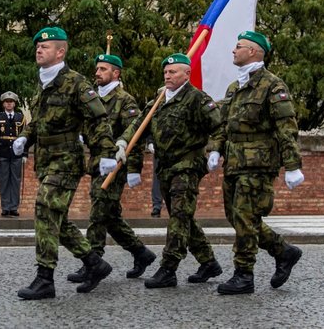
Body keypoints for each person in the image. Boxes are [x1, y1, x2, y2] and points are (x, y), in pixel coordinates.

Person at [11, 26, 116, 300]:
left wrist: (105, 152)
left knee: (44, 208)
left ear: (61, 51)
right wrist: (25, 137)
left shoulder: (76, 82)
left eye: (45, 47)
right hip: (46, 161)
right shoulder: (43, 83)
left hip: (66, 159)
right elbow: (38, 122)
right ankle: (95, 263)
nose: (39, 50)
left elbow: (98, 118)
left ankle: (45, 279)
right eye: (37, 47)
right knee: (56, 218)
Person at [207, 31, 306, 294]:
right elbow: (223, 125)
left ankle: (244, 275)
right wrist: (216, 149)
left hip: (258, 165)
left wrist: (292, 165)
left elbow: (287, 128)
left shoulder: (273, 86)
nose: (233, 50)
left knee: (244, 217)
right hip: (234, 164)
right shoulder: (235, 87)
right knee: (237, 217)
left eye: (238, 46)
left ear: (253, 51)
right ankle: (283, 251)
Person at [117, 53, 221, 289]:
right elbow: (139, 125)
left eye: (173, 72)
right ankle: (208, 262)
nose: (168, 75)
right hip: (165, 167)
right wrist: (124, 142)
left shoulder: (197, 99)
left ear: (187, 74)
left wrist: (215, 150)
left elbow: (219, 126)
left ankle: (168, 268)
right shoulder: (159, 98)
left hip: (187, 167)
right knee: (182, 216)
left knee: (179, 217)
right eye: (165, 72)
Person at [70, 54, 156, 284]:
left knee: (98, 213)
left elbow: (135, 136)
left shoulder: (125, 101)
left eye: (103, 69)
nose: (97, 73)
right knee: (110, 217)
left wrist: (134, 169)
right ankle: (141, 253)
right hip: (97, 162)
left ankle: (93, 262)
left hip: (115, 165)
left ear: (116, 73)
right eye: (97, 69)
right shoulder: (92, 99)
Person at [0, 91, 25, 216]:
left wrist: (25, 154)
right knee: (4, 180)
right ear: (3, 104)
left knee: (15, 181)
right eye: (7, 102)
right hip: (3, 153)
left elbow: (24, 137)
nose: (9, 104)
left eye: (11, 102)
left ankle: (14, 207)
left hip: (16, 154)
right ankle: (5, 207)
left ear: (14, 104)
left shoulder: (21, 118)